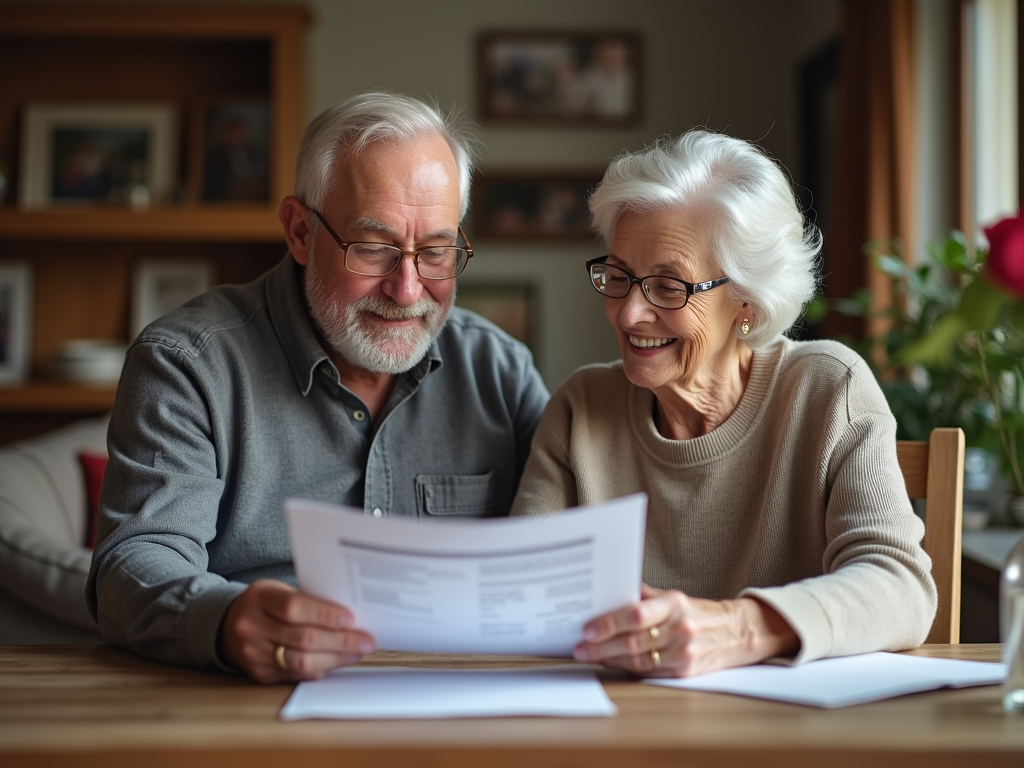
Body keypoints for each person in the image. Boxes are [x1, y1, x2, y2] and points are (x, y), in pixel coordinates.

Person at [87, 92, 550, 683]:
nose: (407, 289)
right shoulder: (187, 365)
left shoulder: (499, 371)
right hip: (258, 701)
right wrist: (226, 621)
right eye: (374, 250)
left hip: (462, 700)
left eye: (434, 251)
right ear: (300, 231)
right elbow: (132, 566)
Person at [511, 130, 936, 678]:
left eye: (669, 286)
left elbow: (899, 586)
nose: (629, 313)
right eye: (618, 277)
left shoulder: (828, 390)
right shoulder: (582, 406)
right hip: (621, 725)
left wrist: (739, 627)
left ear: (748, 302)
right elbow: (519, 586)